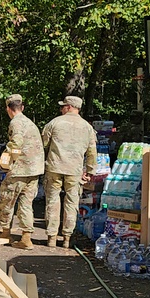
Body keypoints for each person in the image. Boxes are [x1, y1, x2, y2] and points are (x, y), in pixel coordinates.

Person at [42, 95, 97, 249]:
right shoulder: (87, 127)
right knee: (71, 203)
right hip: (75, 171)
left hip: (54, 167)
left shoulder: (54, 123)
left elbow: (44, 144)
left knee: (52, 201)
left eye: (63, 106)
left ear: (69, 107)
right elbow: (92, 151)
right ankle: (67, 238)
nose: (61, 109)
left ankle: (51, 237)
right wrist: (90, 171)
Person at [0, 94, 46, 249]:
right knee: (26, 204)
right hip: (34, 170)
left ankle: (5, 233)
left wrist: (5, 161)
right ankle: (26, 238)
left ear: (8, 108)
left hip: (19, 170)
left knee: (7, 201)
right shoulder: (30, 123)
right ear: (22, 107)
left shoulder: (16, 123)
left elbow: (15, 143)